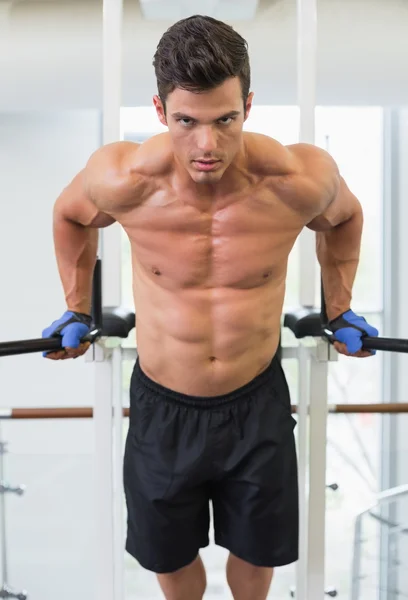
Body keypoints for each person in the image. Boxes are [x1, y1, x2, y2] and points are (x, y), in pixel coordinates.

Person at [42, 14, 379, 600]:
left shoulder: (296, 179)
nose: (207, 145)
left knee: (257, 551)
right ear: (158, 110)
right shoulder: (124, 179)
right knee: (167, 557)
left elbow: (345, 218)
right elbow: (70, 215)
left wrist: (339, 309)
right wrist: (77, 310)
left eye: (225, 120)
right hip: (162, 403)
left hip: (257, 399)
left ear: (248, 105)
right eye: (186, 122)